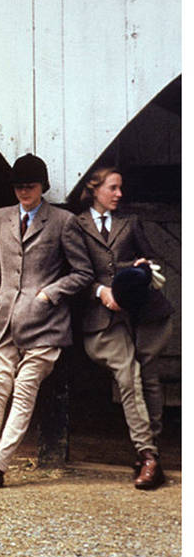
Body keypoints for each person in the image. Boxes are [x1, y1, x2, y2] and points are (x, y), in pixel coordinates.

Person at [0, 153, 91, 488]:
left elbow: (83, 272)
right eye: (18, 187)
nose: (23, 192)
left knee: (25, 392)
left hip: (45, 324)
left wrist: (50, 294)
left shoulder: (62, 221)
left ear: (43, 186)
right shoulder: (0, 217)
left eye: (30, 186)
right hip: (2, 321)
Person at [72, 167, 175, 489]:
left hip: (141, 314)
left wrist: (138, 270)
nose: (119, 194)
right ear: (95, 189)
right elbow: (74, 270)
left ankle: (149, 454)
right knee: (128, 374)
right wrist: (101, 291)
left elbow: (149, 259)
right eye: (113, 188)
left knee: (149, 377)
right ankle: (148, 454)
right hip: (103, 319)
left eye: (120, 188)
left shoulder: (130, 223)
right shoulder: (76, 226)